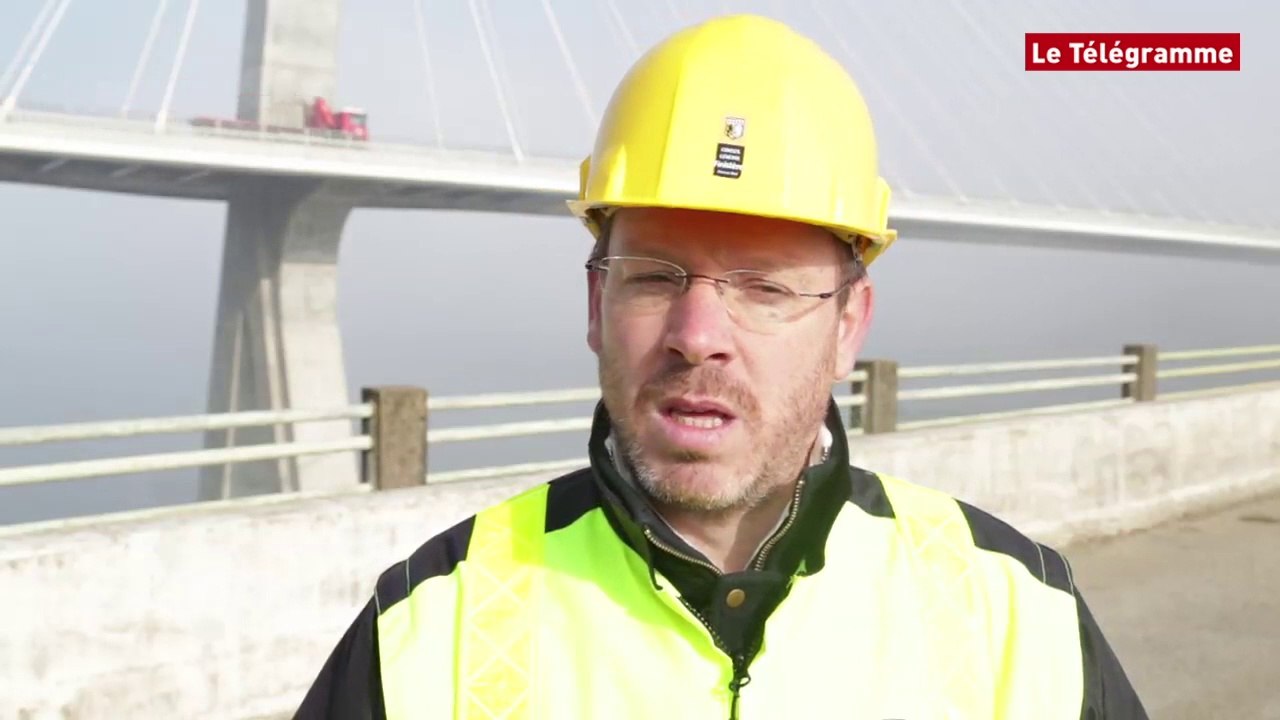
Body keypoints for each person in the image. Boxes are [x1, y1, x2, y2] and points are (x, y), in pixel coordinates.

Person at [296, 14, 1146, 719]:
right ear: (595, 307)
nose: (697, 334)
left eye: (764, 287)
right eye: (656, 276)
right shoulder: (433, 623)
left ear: (849, 325)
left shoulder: (1015, 614)